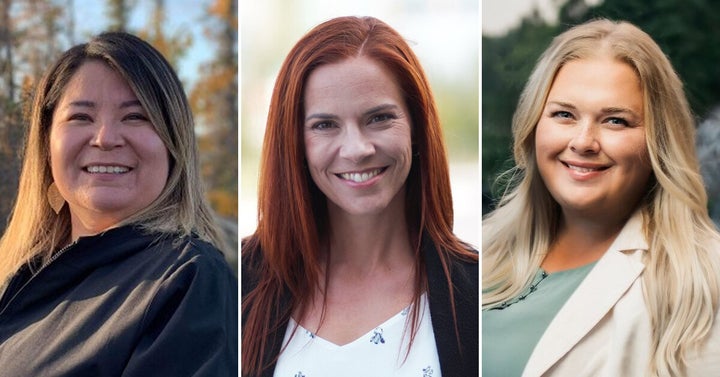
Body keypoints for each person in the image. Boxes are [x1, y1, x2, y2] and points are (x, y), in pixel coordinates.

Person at [241, 16, 478, 377]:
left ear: (416, 127)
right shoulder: (234, 283)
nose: (356, 149)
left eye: (379, 118)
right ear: (294, 142)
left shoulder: (479, 291)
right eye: (325, 125)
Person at [482, 18, 720, 376]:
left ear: (659, 140)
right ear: (533, 126)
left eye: (615, 121)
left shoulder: (704, 278)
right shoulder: (478, 247)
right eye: (564, 114)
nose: (582, 141)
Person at [0, 32, 238, 376]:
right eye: (81, 117)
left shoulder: (187, 279)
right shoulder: (23, 275)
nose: (105, 138)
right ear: (46, 143)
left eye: (136, 117)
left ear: (173, 144)